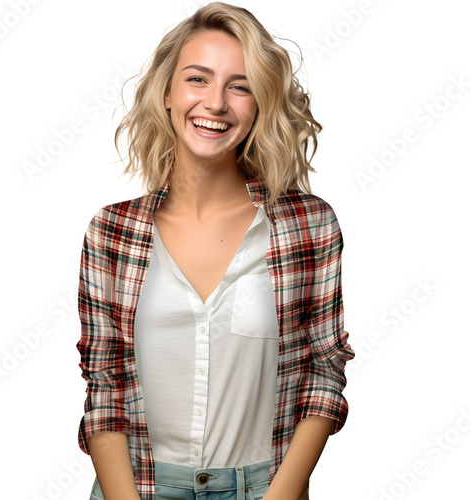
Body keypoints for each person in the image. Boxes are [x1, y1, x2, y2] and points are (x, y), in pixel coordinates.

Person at [76, 2, 355, 499]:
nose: (217, 103)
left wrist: (280, 495)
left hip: (262, 489)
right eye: (198, 79)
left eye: (240, 85)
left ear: (260, 103)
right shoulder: (111, 233)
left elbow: (323, 372)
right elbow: (106, 381)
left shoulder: (309, 226)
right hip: (138, 488)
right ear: (167, 93)